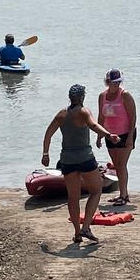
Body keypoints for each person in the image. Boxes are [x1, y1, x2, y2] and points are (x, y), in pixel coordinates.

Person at [41, 84, 112, 245]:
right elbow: (93, 125)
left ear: (70, 97)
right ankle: (86, 227)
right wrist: (108, 135)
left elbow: (48, 134)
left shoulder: (61, 114)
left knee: (73, 197)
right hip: (85, 158)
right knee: (96, 191)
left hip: (67, 160)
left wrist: (45, 154)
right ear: (82, 97)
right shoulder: (84, 111)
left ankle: (77, 233)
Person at [97, 70, 137, 207]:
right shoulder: (102, 96)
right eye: (114, 82)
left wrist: (130, 138)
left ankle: (123, 195)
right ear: (108, 82)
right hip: (109, 135)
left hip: (125, 134)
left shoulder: (125, 95)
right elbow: (101, 117)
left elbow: (133, 117)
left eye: (119, 82)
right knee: (116, 164)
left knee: (121, 165)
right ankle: (122, 193)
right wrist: (99, 136)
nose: (117, 84)